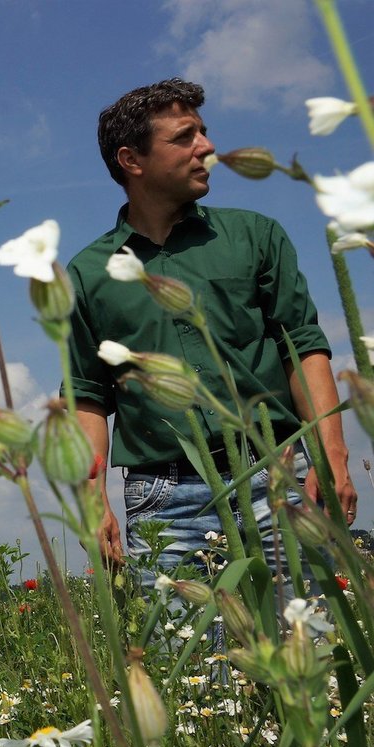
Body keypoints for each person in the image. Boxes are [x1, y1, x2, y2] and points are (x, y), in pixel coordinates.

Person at [66, 77, 356, 582]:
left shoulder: (256, 236)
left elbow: (303, 348)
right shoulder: (89, 273)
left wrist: (330, 455)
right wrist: (94, 502)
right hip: (163, 498)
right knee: (191, 657)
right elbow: (88, 394)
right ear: (132, 160)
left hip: (279, 472)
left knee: (305, 648)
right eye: (185, 136)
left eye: (203, 131)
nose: (208, 146)